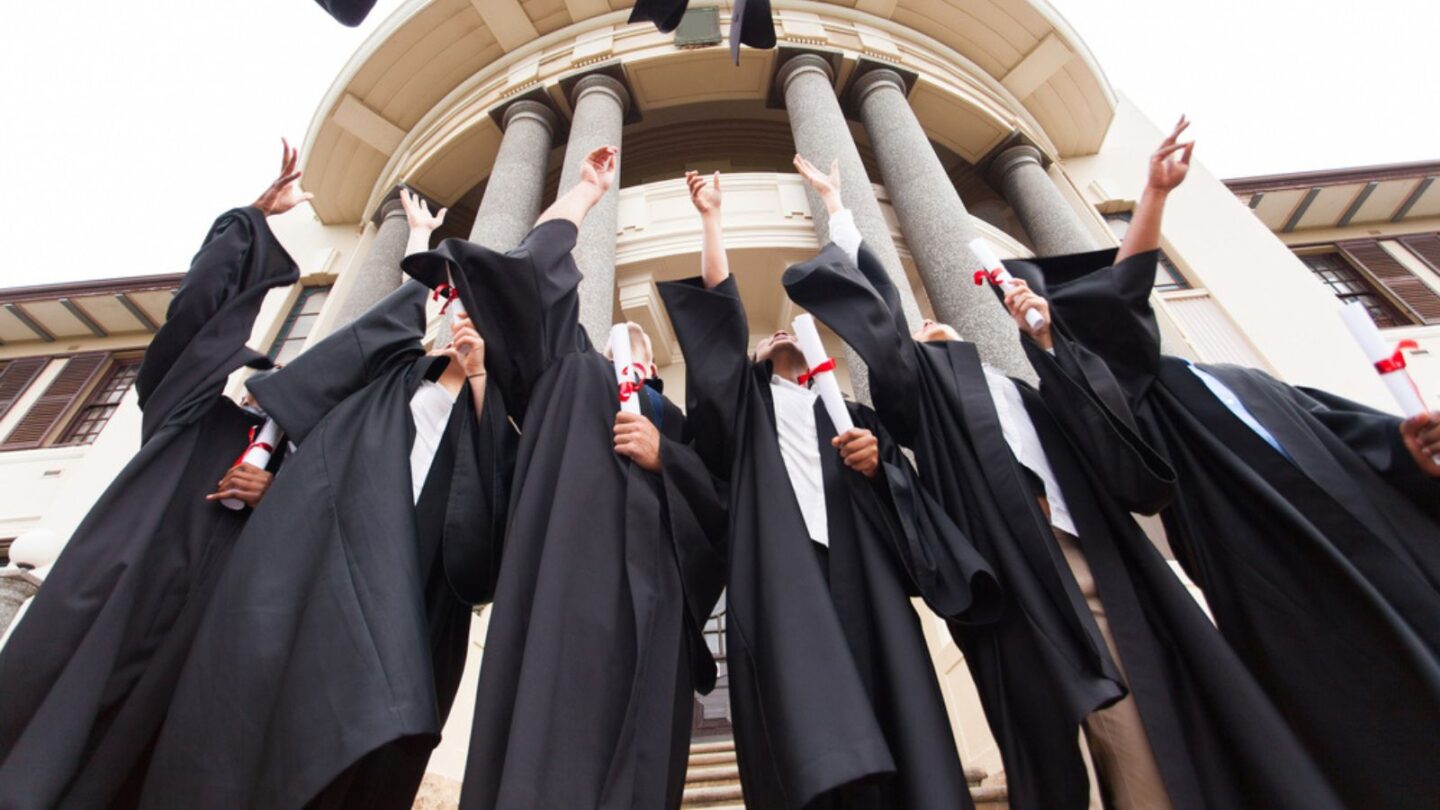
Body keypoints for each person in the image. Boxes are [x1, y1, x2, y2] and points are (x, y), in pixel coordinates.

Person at [783, 152, 1348, 810]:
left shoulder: (1019, 389)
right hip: (1033, 573)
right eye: (915, 335)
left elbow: (1107, 432)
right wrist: (839, 212)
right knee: (1114, 739)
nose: (923, 328)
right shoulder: (929, 397)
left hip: (1104, 561)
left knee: (1179, 712)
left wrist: (1048, 338)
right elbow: (883, 325)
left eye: (931, 325)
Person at [1003, 117, 1440, 810]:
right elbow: (1124, 460)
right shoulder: (1135, 405)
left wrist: (1413, 455)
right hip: (1282, 580)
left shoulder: (1242, 377)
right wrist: (1056, 331)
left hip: (1392, 557)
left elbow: (1359, 440)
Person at [137, 190, 517, 810]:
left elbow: (493, 488)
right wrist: (277, 492)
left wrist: (477, 375)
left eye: (477, 307)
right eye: (456, 304)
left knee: (367, 755)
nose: (463, 316)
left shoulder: (499, 408)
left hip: (418, 590)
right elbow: (339, 441)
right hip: (331, 572)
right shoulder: (395, 378)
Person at [657, 170, 1000, 809]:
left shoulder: (852, 417)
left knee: (898, 724)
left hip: (862, 577)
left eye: (789, 332)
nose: (780, 333)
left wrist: (878, 468)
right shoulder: (745, 416)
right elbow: (718, 322)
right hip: (785, 584)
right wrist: (711, 220)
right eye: (767, 338)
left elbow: (909, 501)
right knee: (808, 741)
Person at [401, 146, 728, 810]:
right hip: (563, 578)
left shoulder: (677, 422)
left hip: (654, 596)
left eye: (638, 341)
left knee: (640, 762)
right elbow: (537, 275)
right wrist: (584, 192)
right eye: (615, 331)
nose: (626, 336)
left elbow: (722, 499)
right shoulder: (572, 375)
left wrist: (665, 454)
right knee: (548, 746)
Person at [0, 142, 305, 809]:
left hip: (200, 640)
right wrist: (251, 221)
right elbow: (197, 317)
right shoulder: (191, 414)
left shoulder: (306, 468)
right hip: (118, 597)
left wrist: (277, 494)